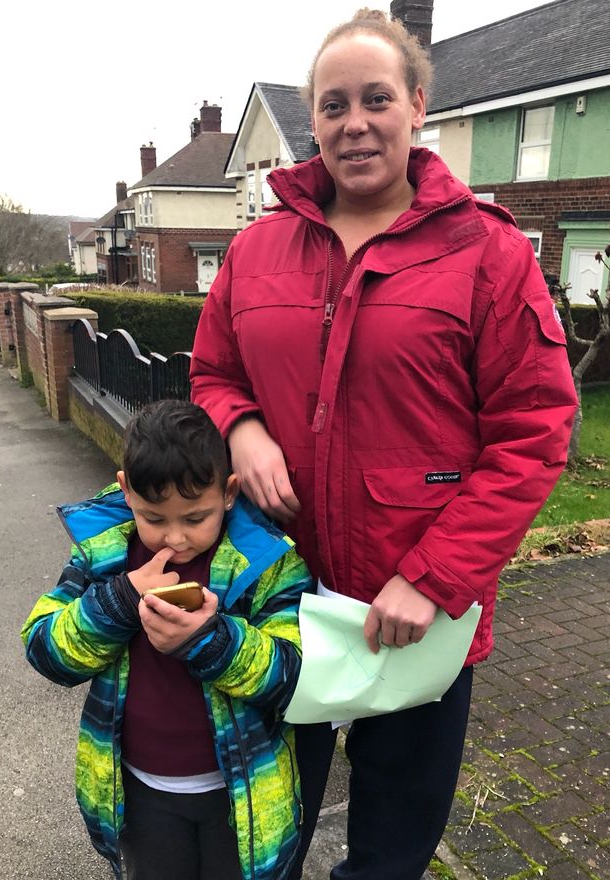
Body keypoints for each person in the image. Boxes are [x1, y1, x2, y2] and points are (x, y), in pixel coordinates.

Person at [189, 8, 578, 880]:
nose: (353, 122)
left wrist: (434, 578)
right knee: (264, 833)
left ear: (416, 107)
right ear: (314, 121)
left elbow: (534, 433)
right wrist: (242, 428)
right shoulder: (255, 252)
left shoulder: (490, 254)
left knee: (392, 848)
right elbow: (212, 372)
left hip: (411, 615)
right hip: (275, 600)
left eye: (375, 99)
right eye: (333, 105)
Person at [21, 399, 312, 880]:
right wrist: (118, 600)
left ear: (229, 492)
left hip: (242, 796)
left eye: (195, 518)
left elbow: (292, 675)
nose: (175, 538)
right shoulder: (105, 557)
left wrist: (210, 642)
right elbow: (45, 649)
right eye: (154, 519)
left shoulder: (266, 563)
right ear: (126, 491)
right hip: (142, 792)